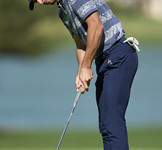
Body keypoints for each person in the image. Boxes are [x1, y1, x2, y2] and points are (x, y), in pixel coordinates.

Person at [29, 0, 139, 149]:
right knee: (105, 125)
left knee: (113, 121)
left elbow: (97, 27)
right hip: (104, 61)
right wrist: (81, 71)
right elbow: (80, 43)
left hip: (118, 54)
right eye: (37, 1)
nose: (41, 2)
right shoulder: (63, 11)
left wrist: (87, 66)